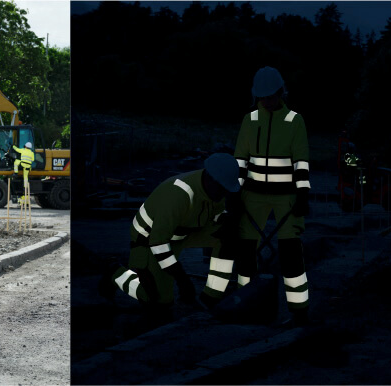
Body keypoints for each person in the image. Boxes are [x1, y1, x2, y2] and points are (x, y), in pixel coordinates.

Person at [98, 153, 241, 309]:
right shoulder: (178, 194)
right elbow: (158, 244)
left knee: (228, 237)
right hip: (148, 239)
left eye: (227, 190)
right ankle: (115, 273)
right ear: (210, 178)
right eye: (222, 189)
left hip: (183, 232)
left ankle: (211, 298)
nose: (224, 194)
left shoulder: (215, 190)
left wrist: (225, 220)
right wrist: (182, 280)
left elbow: (217, 214)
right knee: (157, 302)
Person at [232, 66, 312, 326]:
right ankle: (245, 304)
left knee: (291, 252)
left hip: (286, 196)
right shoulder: (250, 119)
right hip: (252, 194)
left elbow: (301, 161)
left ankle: (299, 311)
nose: (266, 101)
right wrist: (235, 191)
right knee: (246, 250)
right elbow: (240, 159)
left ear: (280, 93)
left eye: (270, 96)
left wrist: (303, 194)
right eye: (262, 97)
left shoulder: (295, 121)